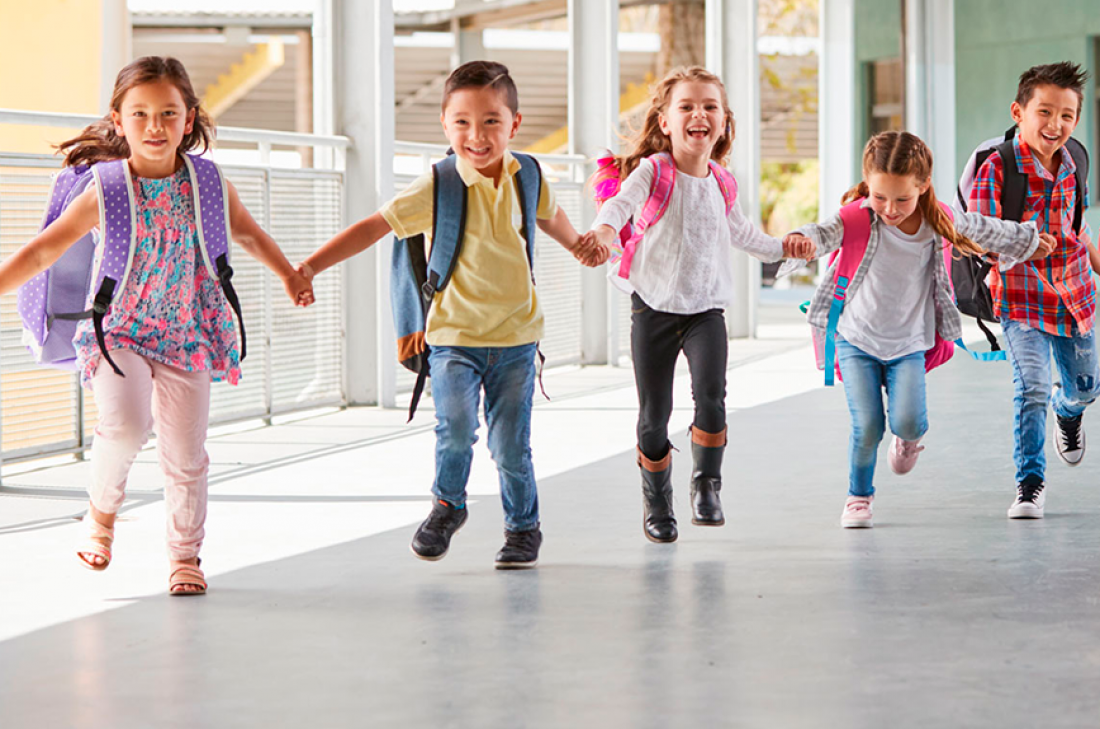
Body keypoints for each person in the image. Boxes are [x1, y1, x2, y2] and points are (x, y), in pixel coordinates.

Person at [0, 56, 313, 594]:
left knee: (186, 455)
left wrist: (288, 273)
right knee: (124, 424)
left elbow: (250, 234)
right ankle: (100, 516)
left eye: (169, 113)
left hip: (188, 333)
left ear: (188, 120)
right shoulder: (106, 189)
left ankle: (184, 555)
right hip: (116, 330)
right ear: (118, 122)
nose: (155, 126)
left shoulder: (208, 184)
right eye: (140, 113)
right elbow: (44, 249)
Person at [297, 61, 603, 569]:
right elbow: (373, 228)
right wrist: (309, 266)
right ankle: (448, 504)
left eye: (490, 121)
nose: (476, 135)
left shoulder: (528, 173)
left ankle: (523, 528)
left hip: (516, 339)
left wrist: (579, 247)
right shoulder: (436, 186)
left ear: (514, 124)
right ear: (444, 123)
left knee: (510, 447)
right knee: (455, 429)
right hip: (453, 338)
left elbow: (549, 216)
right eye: (461, 121)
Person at [585, 66, 813, 543]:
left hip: (705, 311)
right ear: (665, 122)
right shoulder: (654, 171)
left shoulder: (723, 182)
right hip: (654, 309)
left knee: (712, 399)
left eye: (710, 107)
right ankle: (658, 501)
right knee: (654, 416)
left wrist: (785, 247)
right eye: (686, 106)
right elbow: (620, 206)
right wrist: (605, 231)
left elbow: (745, 235)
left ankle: (706, 485)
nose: (699, 114)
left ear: (724, 121)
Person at [786, 131, 1054, 528]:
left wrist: (1029, 240)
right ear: (868, 183)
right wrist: (802, 240)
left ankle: (908, 438)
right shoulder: (856, 217)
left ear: (923, 185)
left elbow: (985, 229)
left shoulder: (937, 220)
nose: (889, 209)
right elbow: (822, 233)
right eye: (879, 197)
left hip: (908, 342)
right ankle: (859, 497)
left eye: (901, 198)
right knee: (867, 426)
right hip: (855, 337)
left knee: (908, 420)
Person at [969, 62, 1100, 519]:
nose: (1055, 124)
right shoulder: (997, 170)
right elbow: (979, 237)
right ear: (1019, 112)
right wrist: (1022, 244)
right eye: (1044, 111)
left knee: (1085, 389)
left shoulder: (1074, 162)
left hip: (1076, 297)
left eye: (1066, 115)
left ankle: (1071, 414)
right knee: (1032, 389)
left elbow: (1077, 229)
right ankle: (1030, 483)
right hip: (1021, 298)